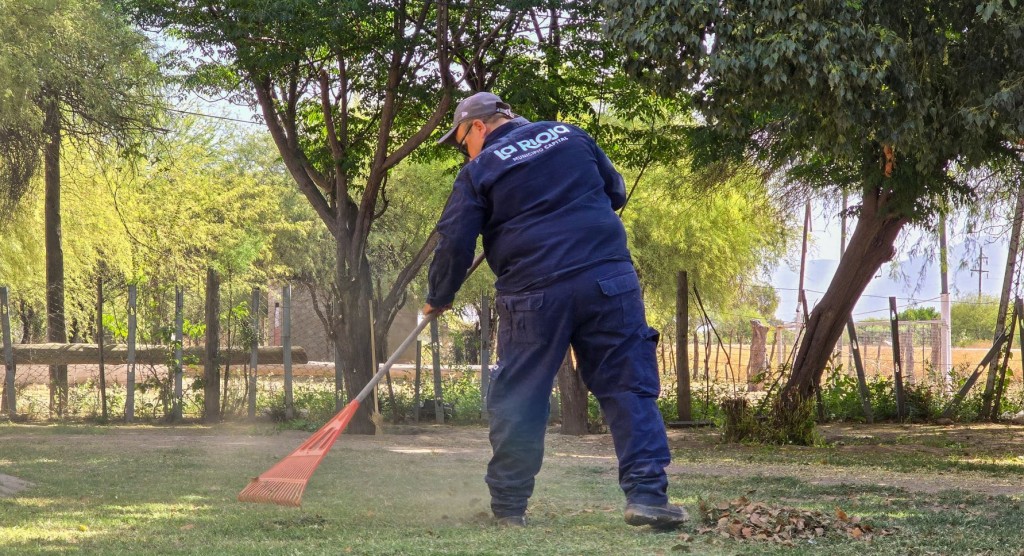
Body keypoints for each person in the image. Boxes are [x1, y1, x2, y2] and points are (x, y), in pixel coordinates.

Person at [423, 91, 686, 530]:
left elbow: (454, 240)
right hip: (608, 281)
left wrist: (440, 294)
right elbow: (615, 192)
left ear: (479, 126)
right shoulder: (570, 134)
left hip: (533, 291)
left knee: (521, 396)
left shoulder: (479, 170)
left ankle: (509, 509)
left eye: (462, 142)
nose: (464, 152)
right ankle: (647, 497)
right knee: (628, 387)